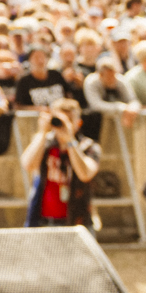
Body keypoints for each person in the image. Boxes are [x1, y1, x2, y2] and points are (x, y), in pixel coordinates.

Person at [22, 98, 99, 228]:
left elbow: (85, 174)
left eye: (69, 120)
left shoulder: (88, 147)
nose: (64, 124)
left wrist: (70, 141)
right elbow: (28, 165)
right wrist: (42, 132)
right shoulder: (44, 143)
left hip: (77, 222)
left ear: (78, 123)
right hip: (43, 221)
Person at [11, 46, 70, 112]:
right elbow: (18, 106)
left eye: (42, 57)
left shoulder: (56, 75)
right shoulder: (24, 81)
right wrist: (37, 109)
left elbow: (68, 94)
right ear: (29, 60)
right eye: (36, 57)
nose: (40, 60)